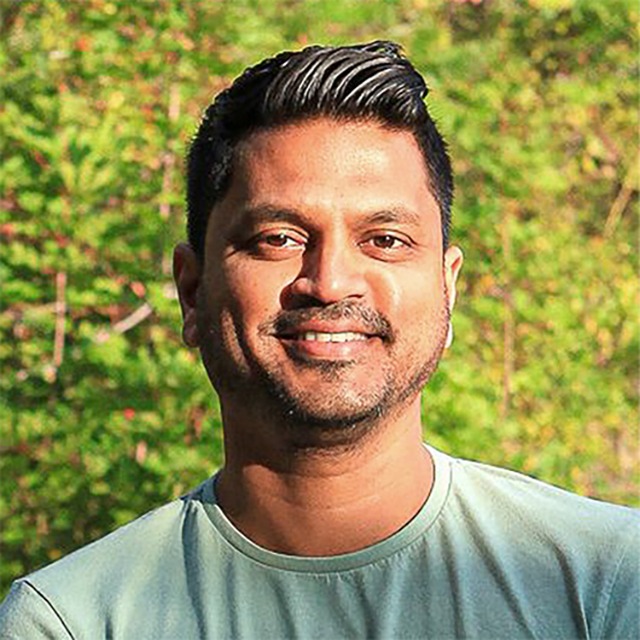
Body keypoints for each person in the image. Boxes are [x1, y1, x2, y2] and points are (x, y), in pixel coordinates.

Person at [0, 41, 637, 640]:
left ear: (449, 290)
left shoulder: (608, 584)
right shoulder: (76, 621)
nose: (330, 283)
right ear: (193, 292)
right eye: (277, 238)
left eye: (384, 240)